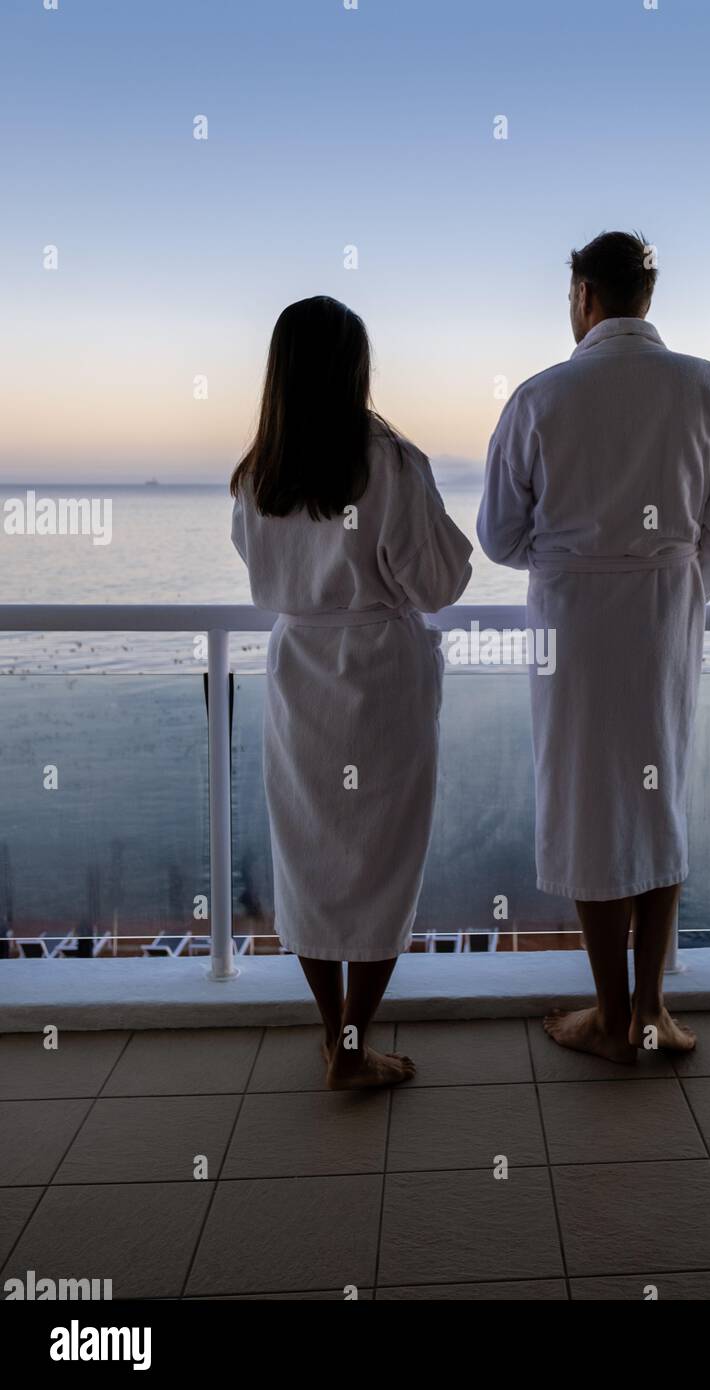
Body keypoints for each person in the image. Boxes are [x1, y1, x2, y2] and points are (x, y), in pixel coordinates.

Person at [477, 232, 710, 1063]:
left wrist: (569, 561)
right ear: (648, 296)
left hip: (573, 621)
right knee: (657, 790)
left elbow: (497, 534)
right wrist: (662, 580)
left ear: (585, 295)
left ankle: (609, 1013)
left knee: (585, 799)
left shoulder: (539, 397)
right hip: (667, 614)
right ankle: (654, 1012)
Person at [231, 296, 472, 1087]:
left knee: (308, 852)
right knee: (382, 858)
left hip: (299, 672)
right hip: (379, 675)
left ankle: (333, 1033)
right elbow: (438, 581)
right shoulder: (389, 461)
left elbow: (263, 569)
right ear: (355, 366)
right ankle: (355, 1047)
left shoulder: (257, 472)